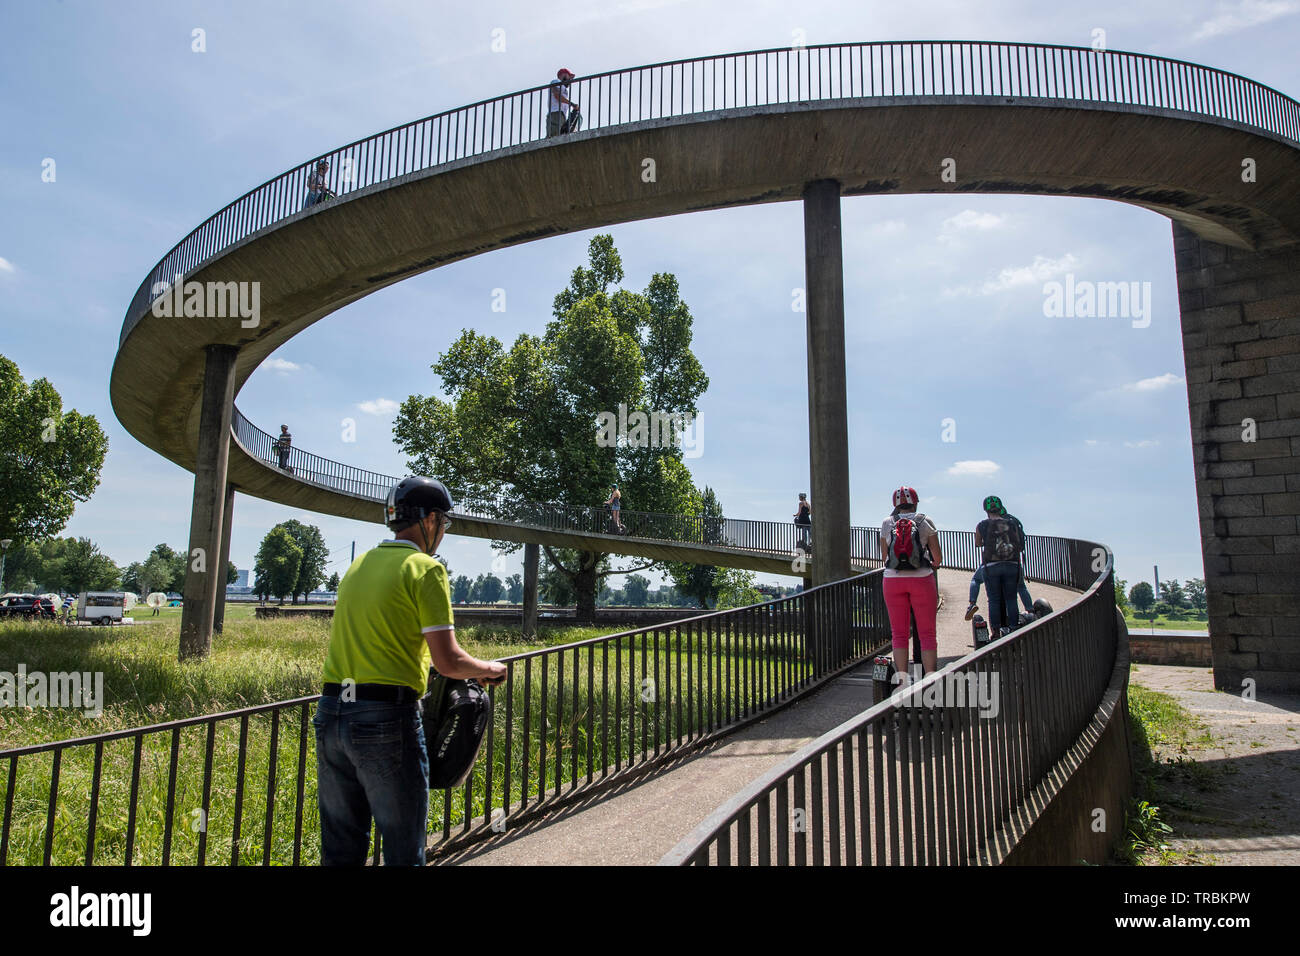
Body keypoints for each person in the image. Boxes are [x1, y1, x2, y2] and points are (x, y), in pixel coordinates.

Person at [314, 477, 506, 866]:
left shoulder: (358, 566)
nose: (443, 532)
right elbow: (447, 661)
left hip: (332, 712)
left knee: (341, 850)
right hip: (385, 718)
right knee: (403, 850)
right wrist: (488, 668)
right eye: (444, 523)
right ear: (430, 520)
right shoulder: (425, 569)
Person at [880, 486, 942, 681]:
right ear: (915, 502)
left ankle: (902, 681)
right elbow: (937, 558)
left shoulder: (887, 523)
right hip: (922, 579)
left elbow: (884, 557)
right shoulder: (925, 521)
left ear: (895, 505)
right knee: (927, 633)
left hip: (892, 580)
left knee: (898, 633)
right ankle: (930, 678)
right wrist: (931, 564)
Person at [974, 495, 1027, 635]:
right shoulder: (1012, 523)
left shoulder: (982, 525)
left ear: (986, 509)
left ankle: (996, 632)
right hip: (1012, 564)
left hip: (992, 566)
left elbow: (978, 543)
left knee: (994, 600)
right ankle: (1014, 627)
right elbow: (1019, 543)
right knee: (1011, 598)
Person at [965, 564, 1034, 622]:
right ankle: (1031, 612)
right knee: (1020, 588)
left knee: (977, 581)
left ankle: (972, 604)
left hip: (991, 565)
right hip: (1013, 564)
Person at [547, 68, 576, 137]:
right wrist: (571, 104)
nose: (570, 80)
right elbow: (557, 95)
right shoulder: (556, 81)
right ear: (564, 75)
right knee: (554, 136)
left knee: (559, 136)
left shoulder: (562, 87)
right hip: (556, 113)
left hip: (561, 115)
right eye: (569, 77)